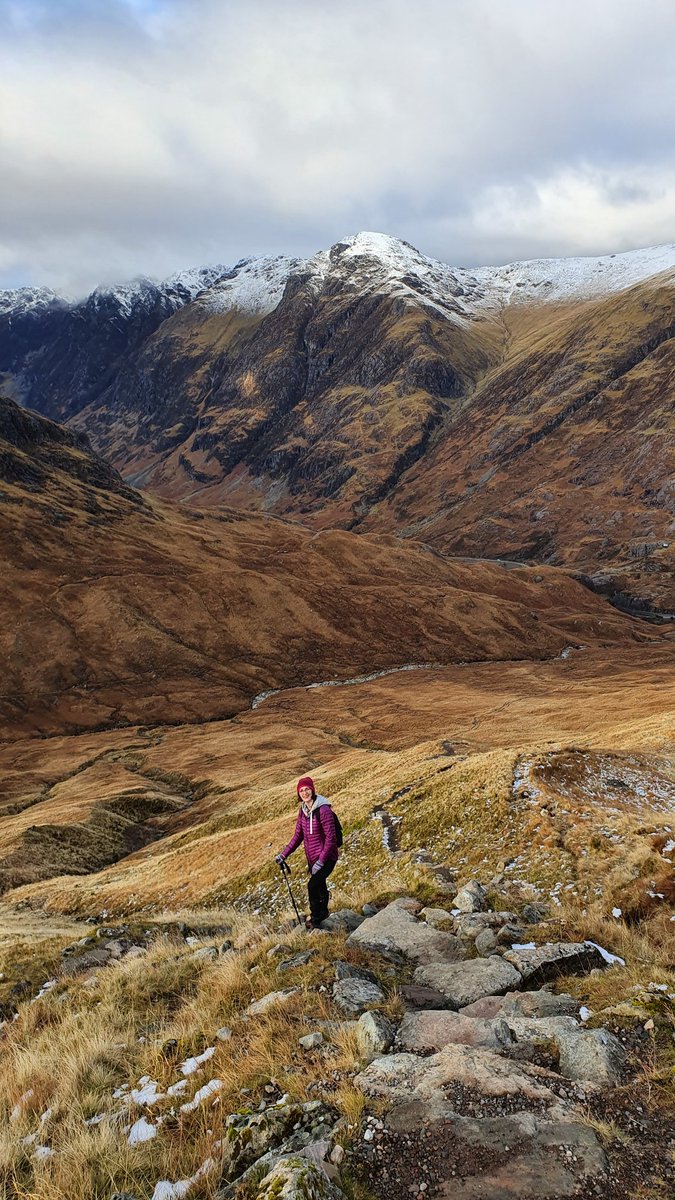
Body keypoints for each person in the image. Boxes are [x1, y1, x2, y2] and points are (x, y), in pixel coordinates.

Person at [275, 775, 339, 929]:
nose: (304, 793)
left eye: (307, 789)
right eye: (301, 790)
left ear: (313, 790)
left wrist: (321, 861)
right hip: (312, 858)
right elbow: (298, 836)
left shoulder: (324, 810)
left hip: (327, 857)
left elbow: (331, 839)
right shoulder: (303, 811)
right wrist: (284, 854)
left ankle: (316, 918)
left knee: (312, 886)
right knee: (319, 885)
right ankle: (323, 912)